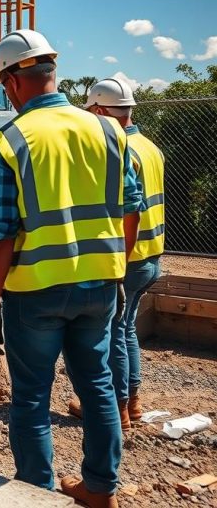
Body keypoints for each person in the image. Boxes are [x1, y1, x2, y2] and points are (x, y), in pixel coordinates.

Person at [0, 30, 142, 508]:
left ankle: (36, 493)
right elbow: (130, 207)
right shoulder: (109, 130)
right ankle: (99, 489)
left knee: (31, 396)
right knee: (97, 384)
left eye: (4, 86)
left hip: (36, 292)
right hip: (99, 286)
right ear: (52, 72)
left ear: (12, 82)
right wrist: (117, 266)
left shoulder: (10, 141)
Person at [69, 78, 164, 427]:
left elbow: (127, 211)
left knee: (115, 332)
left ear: (99, 110)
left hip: (130, 255)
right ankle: (133, 403)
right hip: (152, 255)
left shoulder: (121, 149)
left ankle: (119, 408)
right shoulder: (150, 146)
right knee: (127, 329)